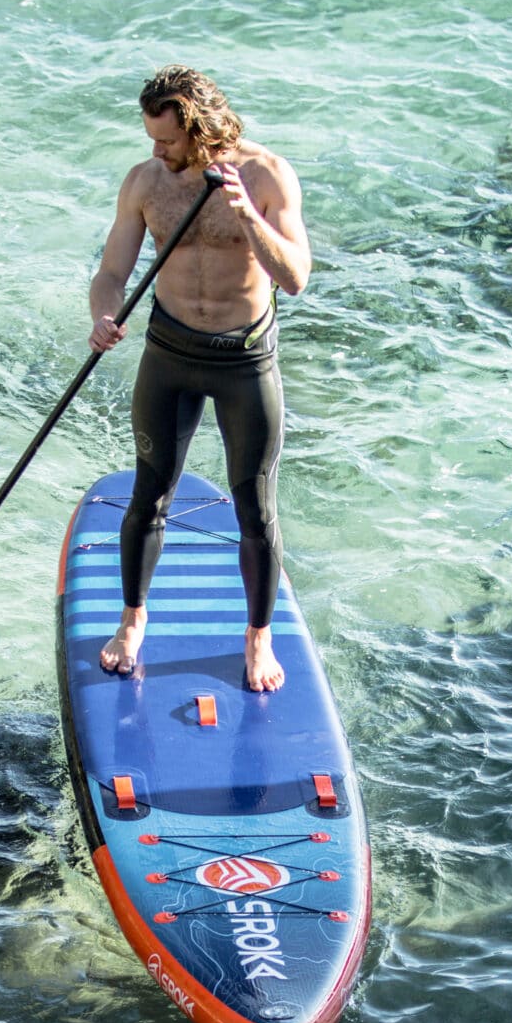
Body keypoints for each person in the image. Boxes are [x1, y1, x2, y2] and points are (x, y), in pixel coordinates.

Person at [88, 66, 311, 692]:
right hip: (170, 351)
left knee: (255, 508)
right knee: (149, 492)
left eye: (168, 141)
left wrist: (247, 216)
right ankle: (133, 621)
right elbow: (111, 272)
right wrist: (104, 315)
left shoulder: (266, 175)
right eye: (152, 141)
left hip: (244, 359)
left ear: (200, 126)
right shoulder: (146, 183)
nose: (157, 152)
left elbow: (295, 276)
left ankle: (257, 638)